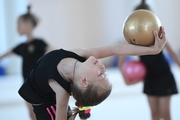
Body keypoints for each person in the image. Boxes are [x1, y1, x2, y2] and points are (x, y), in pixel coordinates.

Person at [18, 22, 167, 120]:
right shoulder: (80, 55)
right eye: (104, 72)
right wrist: (153, 50)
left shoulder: (61, 92)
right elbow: (118, 49)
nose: (103, 67)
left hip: (46, 106)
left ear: (84, 81)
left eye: (101, 74)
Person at [118, 1, 180, 120]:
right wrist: (125, 78)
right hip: (149, 78)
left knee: (165, 114)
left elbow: (173, 53)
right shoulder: (130, 36)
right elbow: (121, 59)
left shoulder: (158, 32)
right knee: (154, 114)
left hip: (164, 76)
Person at [0, 5, 53, 120]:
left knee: (41, 111)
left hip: (38, 83)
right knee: (31, 113)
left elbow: (54, 50)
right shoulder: (21, 47)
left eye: (18, 25)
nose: (17, 29)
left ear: (28, 26)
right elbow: (3, 55)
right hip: (26, 85)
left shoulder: (39, 43)